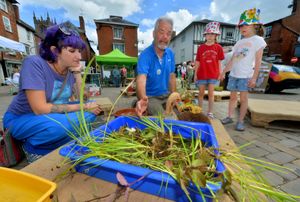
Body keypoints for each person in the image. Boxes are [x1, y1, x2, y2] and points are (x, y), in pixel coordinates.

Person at [3, 22, 102, 162]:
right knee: (63, 124)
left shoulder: (69, 70)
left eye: (79, 51)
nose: (79, 56)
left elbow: (83, 97)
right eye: (72, 51)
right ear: (55, 51)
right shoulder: (34, 63)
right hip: (22, 118)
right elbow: (39, 109)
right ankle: (32, 149)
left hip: (52, 117)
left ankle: (57, 140)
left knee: (93, 108)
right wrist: (83, 107)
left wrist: (77, 73)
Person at [220, 8, 266, 131]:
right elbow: (233, 59)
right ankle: (229, 116)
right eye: (240, 26)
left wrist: (254, 77)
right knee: (232, 97)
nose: (242, 28)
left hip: (246, 76)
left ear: (255, 25)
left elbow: (258, 61)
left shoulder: (258, 40)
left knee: (244, 99)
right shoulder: (239, 42)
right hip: (234, 75)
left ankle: (240, 121)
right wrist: (224, 72)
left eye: (245, 25)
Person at [135, 16, 176, 116]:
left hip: (166, 95)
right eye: (161, 32)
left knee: (180, 113)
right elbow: (141, 79)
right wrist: (143, 98)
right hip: (151, 97)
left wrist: (174, 95)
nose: (165, 37)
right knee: (165, 119)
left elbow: (172, 77)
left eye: (168, 33)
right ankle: (140, 102)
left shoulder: (170, 54)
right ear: (154, 34)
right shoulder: (145, 55)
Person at [194, 21, 225, 119]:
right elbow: (198, 62)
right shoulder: (201, 48)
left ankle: (210, 112)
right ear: (205, 35)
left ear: (216, 35)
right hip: (202, 74)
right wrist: (195, 74)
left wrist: (221, 73)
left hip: (213, 74)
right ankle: (199, 110)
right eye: (208, 34)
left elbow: (220, 62)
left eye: (212, 34)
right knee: (201, 93)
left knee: (211, 94)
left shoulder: (218, 47)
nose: (210, 36)